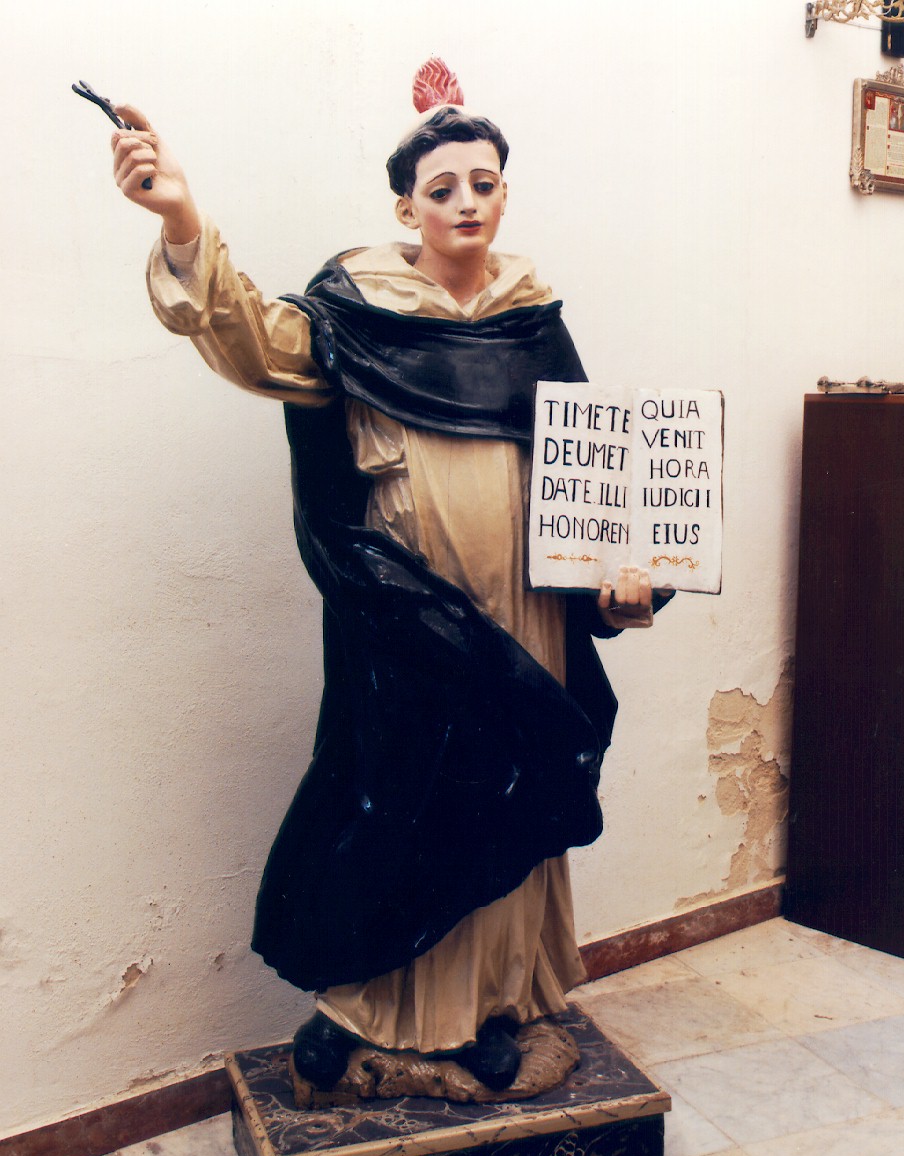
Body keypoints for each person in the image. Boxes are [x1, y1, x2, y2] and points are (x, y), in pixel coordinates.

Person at [110, 71, 671, 1094]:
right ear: (406, 204)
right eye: (443, 185)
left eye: (483, 183)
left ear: (504, 196)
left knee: (508, 800)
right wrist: (183, 216)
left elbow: (599, 485)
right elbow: (248, 340)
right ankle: (375, 1018)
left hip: (528, 626)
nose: (465, 202)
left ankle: (494, 1007)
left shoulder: (530, 319)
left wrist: (619, 588)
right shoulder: (355, 313)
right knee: (404, 810)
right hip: (407, 629)